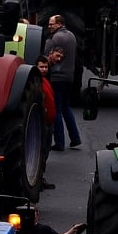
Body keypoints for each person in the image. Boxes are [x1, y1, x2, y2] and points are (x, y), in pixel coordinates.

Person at [41, 15, 81, 151]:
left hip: (56, 78)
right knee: (66, 107)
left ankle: (59, 143)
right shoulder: (72, 36)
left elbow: (45, 57)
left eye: (51, 24)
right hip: (69, 78)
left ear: (59, 24)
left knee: (56, 110)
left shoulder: (54, 39)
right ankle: (75, 138)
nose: (49, 26)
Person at [36, 55, 56, 191]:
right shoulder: (36, 83)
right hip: (42, 124)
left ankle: (40, 178)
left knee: (45, 152)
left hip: (49, 124)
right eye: (41, 67)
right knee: (40, 153)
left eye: (46, 67)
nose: (44, 69)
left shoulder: (46, 81)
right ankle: (38, 180)